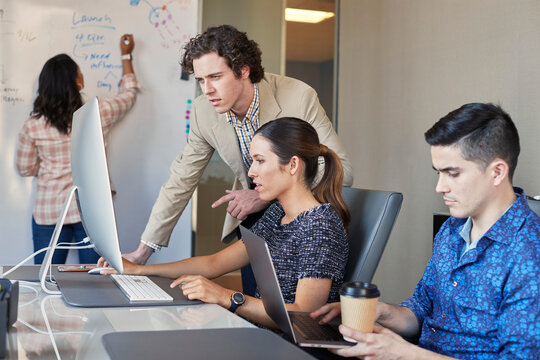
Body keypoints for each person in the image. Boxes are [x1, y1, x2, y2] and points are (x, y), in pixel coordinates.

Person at [311, 103, 540, 359]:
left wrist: (403, 353)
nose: (440, 187)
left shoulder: (529, 254)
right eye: (438, 173)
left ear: (497, 172)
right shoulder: (452, 230)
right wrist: (380, 312)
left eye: (452, 174)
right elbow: (422, 308)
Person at [124, 25, 353, 267]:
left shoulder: (298, 96)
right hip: (254, 221)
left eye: (215, 77)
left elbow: (342, 170)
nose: (207, 90)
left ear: (243, 70)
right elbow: (180, 180)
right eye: (201, 80)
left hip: (304, 220)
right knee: (254, 294)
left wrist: (261, 195)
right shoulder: (203, 111)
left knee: (288, 301)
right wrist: (143, 251)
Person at [100, 117, 350, 328]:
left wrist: (224, 296)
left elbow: (302, 316)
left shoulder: (320, 226)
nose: (251, 172)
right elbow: (214, 263)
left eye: (260, 160)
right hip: (264, 337)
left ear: (293, 165)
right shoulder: (276, 215)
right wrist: (138, 270)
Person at [16, 34, 139, 265]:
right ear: (76, 81)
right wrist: (126, 55)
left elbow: (24, 168)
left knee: (45, 277)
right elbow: (129, 95)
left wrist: (51, 167)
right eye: (79, 72)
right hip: (91, 210)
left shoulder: (33, 125)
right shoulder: (97, 112)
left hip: (49, 210)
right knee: (96, 276)